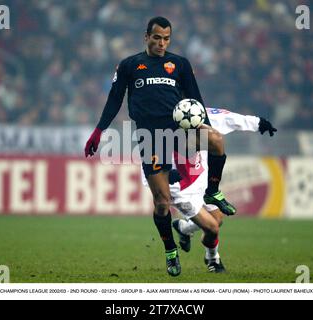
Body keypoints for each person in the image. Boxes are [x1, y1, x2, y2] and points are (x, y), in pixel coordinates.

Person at [85, 17, 234, 277]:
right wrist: (99, 130)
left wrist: (206, 126)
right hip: (151, 138)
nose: (161, 43)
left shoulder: (180, 64)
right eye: (157, 37)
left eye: (166, 38)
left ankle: (212, 191)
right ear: (146, 37)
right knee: (163, 203)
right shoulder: (130, 65)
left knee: (216, 140)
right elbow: (114, 99)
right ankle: (170, 251)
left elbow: (195, 100)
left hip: (179, 132)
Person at [171, 108, 277, 257]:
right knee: (212, 226)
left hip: (203, 180)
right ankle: (213, 259)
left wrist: (258, 123)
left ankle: (184, 228)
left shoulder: (199, 114)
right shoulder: (164, 120)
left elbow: (231, 118)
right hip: (182, 184)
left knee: (217, 220)